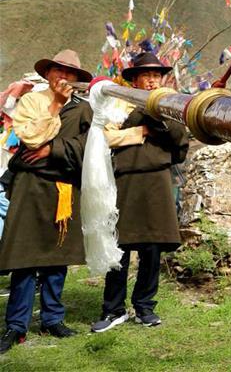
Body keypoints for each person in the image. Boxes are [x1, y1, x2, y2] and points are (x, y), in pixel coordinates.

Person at [0, 50, 92, 353]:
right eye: (57, 71)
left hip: (62, 189)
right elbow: (29, 137)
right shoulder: (31, 102)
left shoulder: (83, 110)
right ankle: (16, 325)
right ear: (47, 73)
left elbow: (88, 149)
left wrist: (53, 150)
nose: (62, 77)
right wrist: (55, 105)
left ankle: (53, 319)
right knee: (24, 259)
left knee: (56, 259)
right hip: (29, 186)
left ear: (77, 79)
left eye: (69, 73)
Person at [90, 52, 188, 332]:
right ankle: (113, 309)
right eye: (146, 75)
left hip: (157, 181)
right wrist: (142, 121)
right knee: (118, 247)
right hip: (124, 181)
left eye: (156, 75)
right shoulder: (118, 105)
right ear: (134, 80)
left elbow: (180, 143)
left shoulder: (170, 104)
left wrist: (159, 119)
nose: (152, 80)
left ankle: (145, 306)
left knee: (152, 248)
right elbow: (107, 137)